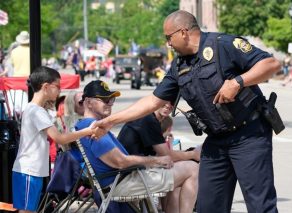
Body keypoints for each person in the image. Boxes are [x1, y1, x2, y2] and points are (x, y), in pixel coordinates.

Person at [92, 10, 281, 213]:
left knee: (260, 205)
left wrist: (238, 82)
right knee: (208, 207)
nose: (168, 44)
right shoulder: (179, 66)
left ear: (183, 32)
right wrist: (112, 120)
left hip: (249, 134)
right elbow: (152, 101)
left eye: (168, 37)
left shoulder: (222, 45)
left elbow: (271, 64)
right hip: (217, 140)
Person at [75, 80, 198, 213]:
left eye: (111, 100)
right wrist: (156, 161)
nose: (110, 104)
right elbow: (120, 161)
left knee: (178, 177)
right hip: (121, 182)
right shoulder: (93, 129)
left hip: (120, 179)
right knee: (193, 168)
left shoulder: (87, 125)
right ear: (88, 102)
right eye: (105, 100)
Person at [12, 66, 95, 213]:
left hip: (31, 170)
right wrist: (87, 131)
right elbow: (60, 138)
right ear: (45, 87)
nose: (59, 91)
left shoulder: (35, 109)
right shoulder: (36, 111)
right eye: (57, 87)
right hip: (28, 171)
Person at [118, 102, 199, 212]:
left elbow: (162, 155)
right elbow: (166, 154)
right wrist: (193, 154)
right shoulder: (148, 119)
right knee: (193, 168)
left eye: (172, 102)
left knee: (178, 175)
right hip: (129, 178)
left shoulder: (144, 116)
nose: (168, 105)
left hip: (127, 175)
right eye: (165, 100)